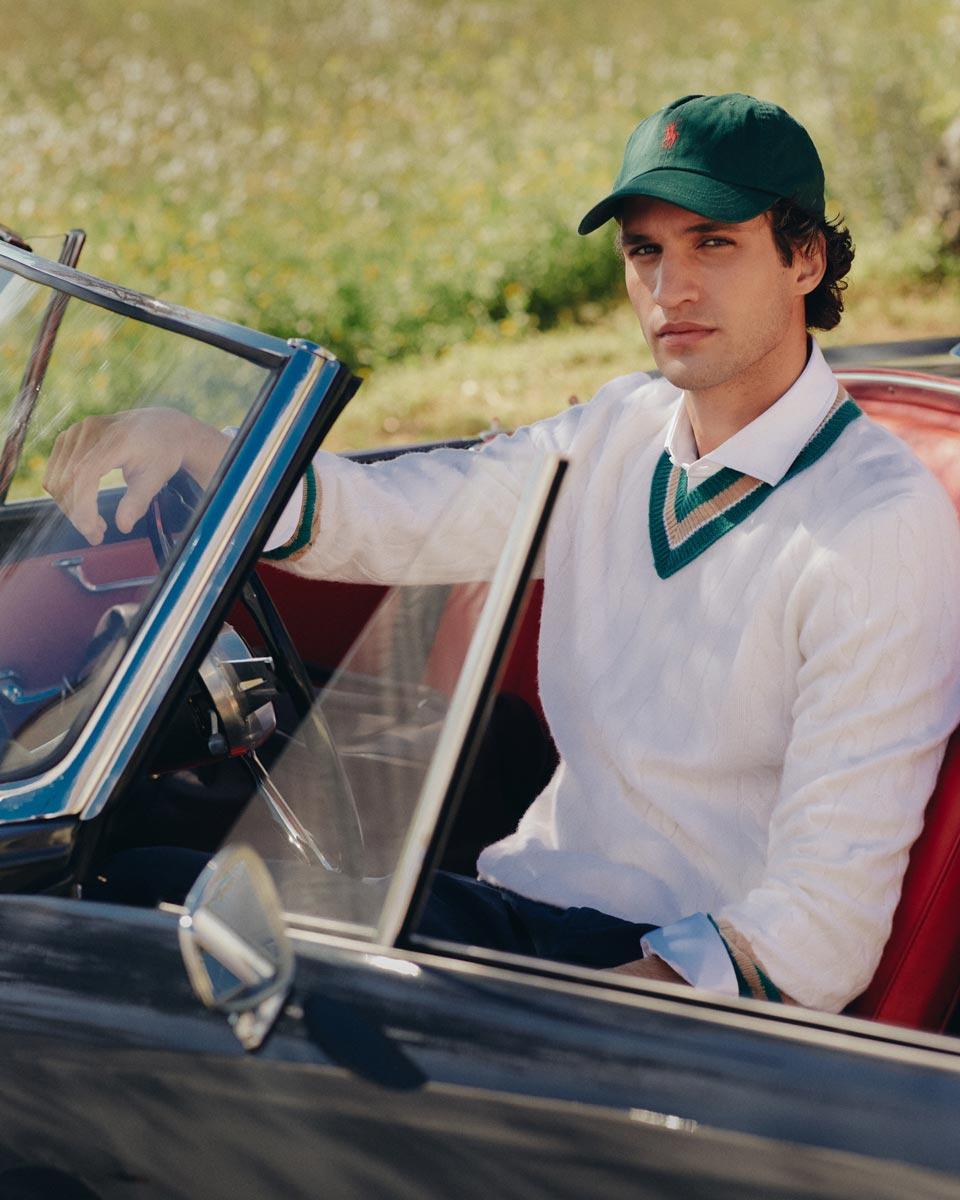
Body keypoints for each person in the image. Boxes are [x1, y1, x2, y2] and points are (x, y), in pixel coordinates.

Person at [45, 93, 960, 1013]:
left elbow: (821, 931)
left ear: (805, 258)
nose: (669, 288)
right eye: (644, 250)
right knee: (127, 881)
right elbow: (409, 514)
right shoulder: (620, 427)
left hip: (642, 971)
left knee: (139, 930)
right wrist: (205, 447)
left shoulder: (875, 528)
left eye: (713, 243)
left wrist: (558, 1026)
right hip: (520, 905)